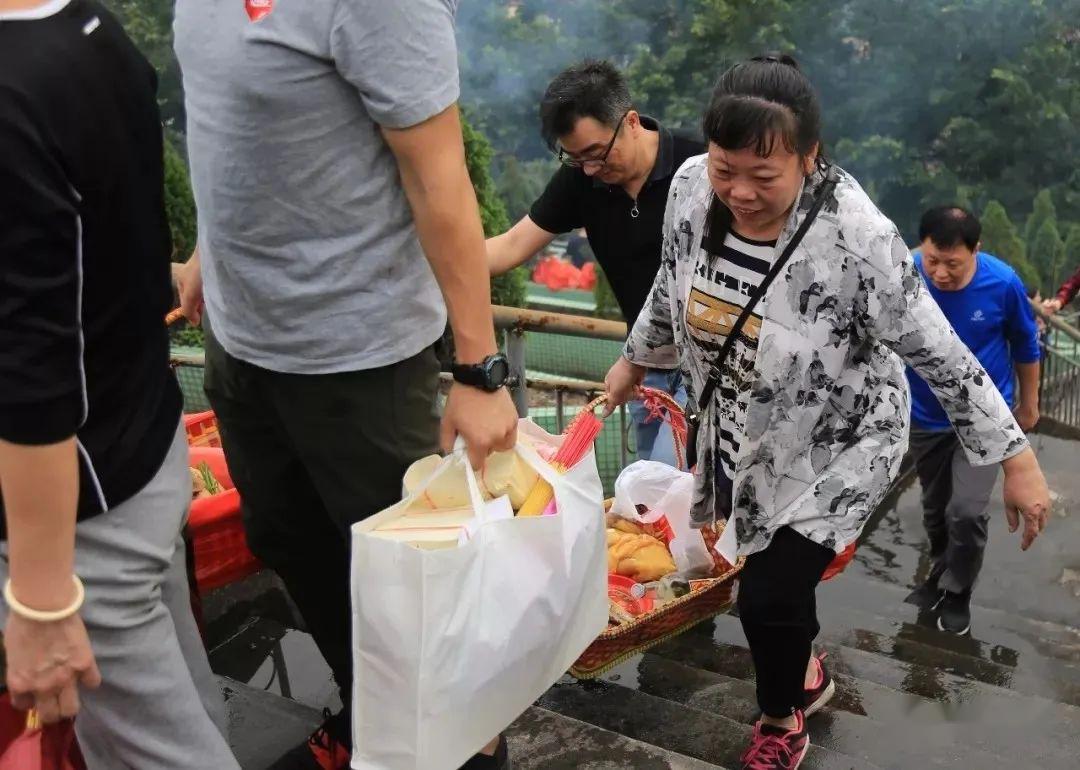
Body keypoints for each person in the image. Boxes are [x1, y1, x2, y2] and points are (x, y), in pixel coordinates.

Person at [604, 54, 1051, 770]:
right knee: (767, 588)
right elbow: (670, 284)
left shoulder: (858, 236)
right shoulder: (690, 189)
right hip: (738, 427)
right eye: (726, 169)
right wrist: (633, 361)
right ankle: (800, 659)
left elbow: (940, 351)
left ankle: (781, 718)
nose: (739, 192)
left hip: (836, 442)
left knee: (764, 596)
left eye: (763, 175)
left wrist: (1017, 456)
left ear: (809, 158)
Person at [173, 2, 518, 769]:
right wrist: (206, 242)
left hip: (359, 359)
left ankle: (463, 750)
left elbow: (439, 179)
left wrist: (477, 369)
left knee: (412, 589)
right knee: (287, 540)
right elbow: (230, 115)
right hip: (241, 340)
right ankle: (376, 716)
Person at [0, 1, 240, 768]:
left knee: (156, 751)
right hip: (141, 448)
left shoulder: (12, 87)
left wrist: (41, 599)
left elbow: (28, 371)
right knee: (180, 699)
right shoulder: (88, 30)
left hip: (79, 517)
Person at [487, 60, 701, 468]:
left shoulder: (699, 169)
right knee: (647, 502)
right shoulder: (582, 182)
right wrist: (431, 265)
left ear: (631, 121)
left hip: (705, 372)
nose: (590, 169)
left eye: (596, 153)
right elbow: (511, 246)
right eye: (575, 158)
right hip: (643, 373)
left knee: (668, 494)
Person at [903, 207, 1042, 634]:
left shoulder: (1001, 283)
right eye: (933, 261)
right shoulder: (905, 273)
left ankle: (958, 591)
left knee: (965, 511)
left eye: (952, 264)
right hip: (925, 414)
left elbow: (1025, 342)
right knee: (934, 509)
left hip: (983, 417)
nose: (940, 273)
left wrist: (1029, 404)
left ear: (975, 252)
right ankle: (943, 568)